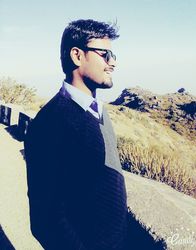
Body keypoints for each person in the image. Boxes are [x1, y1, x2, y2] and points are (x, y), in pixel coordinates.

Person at [24, 19, 129, 250]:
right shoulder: (50, 123)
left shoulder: (98, 111)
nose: (112, 63)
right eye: (105, 54)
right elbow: (46, 219)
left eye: (114, 56)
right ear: (77, 56)